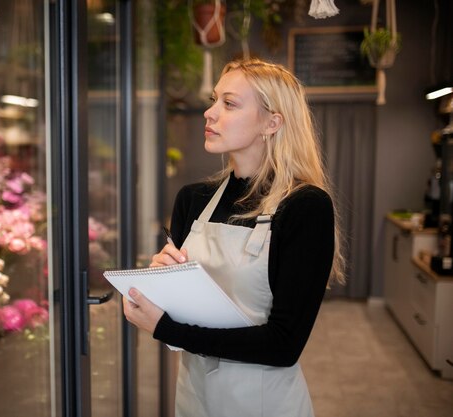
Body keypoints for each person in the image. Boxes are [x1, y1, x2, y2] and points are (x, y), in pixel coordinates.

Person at [122, 58, 345, 417]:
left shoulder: (305, 207)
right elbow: (185, 311)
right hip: (194, 396)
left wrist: (166, 328)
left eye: (229, 103)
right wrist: (158, 285)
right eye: (214, 100)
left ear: (272, 123)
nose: (209, 113)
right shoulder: (192, 199)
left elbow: (283, 346)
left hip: (262, 402)